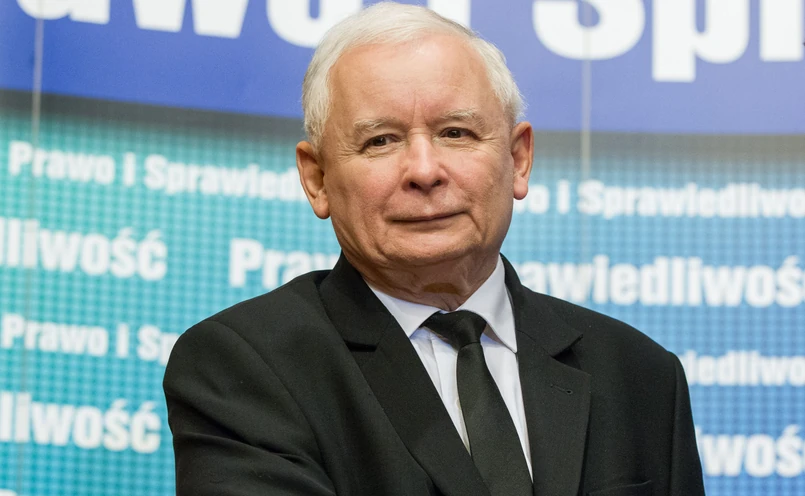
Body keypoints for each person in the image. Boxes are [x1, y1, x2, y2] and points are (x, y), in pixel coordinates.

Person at [163, 2, 705, 495]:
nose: (424, 171)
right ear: (317, 178)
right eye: (381, 141)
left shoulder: (640, 375)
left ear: (518, 159)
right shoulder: (244, 366)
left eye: (456, 133)